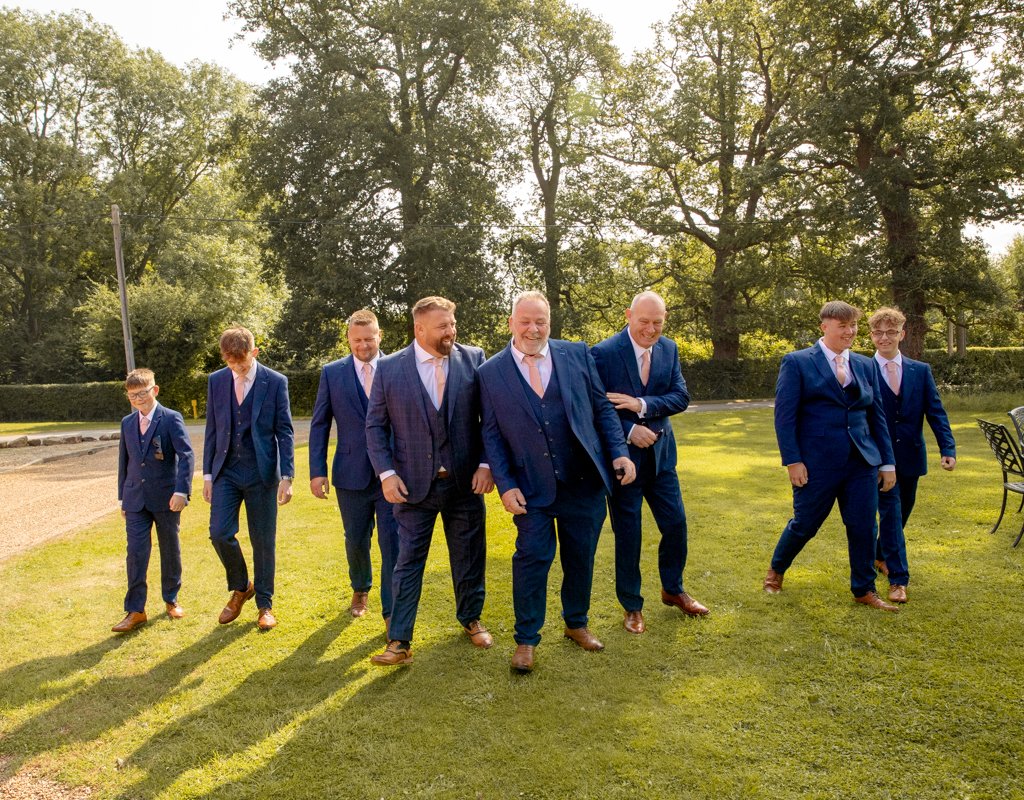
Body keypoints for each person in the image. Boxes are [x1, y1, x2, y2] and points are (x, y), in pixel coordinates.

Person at [478, 291, 637, 673]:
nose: (533, 329)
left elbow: (601, 408)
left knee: (580, 557)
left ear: (549, 322)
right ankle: (526, 640)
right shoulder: (490, 372)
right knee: (532, 559)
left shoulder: (577, 354)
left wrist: (619, 451)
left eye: (541, 322)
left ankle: (576, 624)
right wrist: (505, 484)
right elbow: (492, 435)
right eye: (525, 321)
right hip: (530, 488)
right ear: (511, 322)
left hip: (583, 481)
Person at [365, 296, 494, 666]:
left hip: (465, 483)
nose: (451, 331)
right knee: (407, 563)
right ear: (419, 329)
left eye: (452, 324)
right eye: (442, 326)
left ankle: (471, 619)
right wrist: (386, 474)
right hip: (411, 487)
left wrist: (486, 465)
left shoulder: (473, 358)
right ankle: (400, 641)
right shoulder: (389, 368)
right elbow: (374, 426)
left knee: (469, 557)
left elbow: (490, 419)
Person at [764, 300, 899, 611]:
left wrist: (887, 462)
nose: (850, 332)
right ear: (825, 327)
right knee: (806, 523)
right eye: (843, 326)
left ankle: (864, 590)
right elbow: (785, 417)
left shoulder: (865, 365)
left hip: (861, 461)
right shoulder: (797, 362)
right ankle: (776, 570)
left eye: (853, 326)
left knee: (865, 526)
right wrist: (793, 461)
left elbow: (877, 415)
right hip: (815, 463)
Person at [592, 291, 707, 635]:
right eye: (644, 321)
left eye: (657, 322)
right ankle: (632, 606)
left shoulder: (669, 349)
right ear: (629, 316)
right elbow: (596, 407)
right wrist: (629, 431)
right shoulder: (604, 353)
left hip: (662, 460)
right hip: (624, 462)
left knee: (676, 524)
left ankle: (673, 589)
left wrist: (640, 405)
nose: (651, 329)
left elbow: (680, 397)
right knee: (629, 534)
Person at [309, 309, 399, 627]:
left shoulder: (398, 367)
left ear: (379, 336)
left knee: (393, 541)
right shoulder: (332, 373)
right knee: (356, 538)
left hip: (393, 473)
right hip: (350, 473)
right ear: (348, 338)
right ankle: (360, 589)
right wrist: (316, 470)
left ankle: (392, 608)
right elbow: (320, 424)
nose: (363, 345)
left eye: (369, 338)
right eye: (357, 339)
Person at [203, 326, 294, 631]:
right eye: (231, 365)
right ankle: (241, 586)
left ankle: (265, 605)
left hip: (262, 473)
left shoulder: (275, 382)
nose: (237, 371)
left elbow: (285, 430)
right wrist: (206, 474)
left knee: (263, 541)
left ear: (254, 353)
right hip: (226, 471)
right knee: (219, 533)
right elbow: (212, 430)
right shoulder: (216, 381)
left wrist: (288, 475)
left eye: (241, 365)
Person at [868, 306, 956, 604]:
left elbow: (936, 412)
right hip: (878, 460)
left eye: (891, 332)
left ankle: (880, 555)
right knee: (891, 515)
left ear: (901, 334)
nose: (884, 338)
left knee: (903, 511)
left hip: (912, 456)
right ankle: (898, 579)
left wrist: (948, 449)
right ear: (871, 336)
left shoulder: (921, 371)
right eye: (878, 332)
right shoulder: (862, 370)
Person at [113, 368, 194, 633]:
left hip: (167, 497)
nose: (138, 399)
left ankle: (171, 599)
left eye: (143, 393)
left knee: (170, 549)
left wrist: (181, 492)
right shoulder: (127, 423)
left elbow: (187, 455)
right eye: (132, 396)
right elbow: (124, 462)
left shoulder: (171, 419)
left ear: (154, 390)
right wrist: (122, 498)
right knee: (135, 553)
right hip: (135, 499)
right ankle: (136, 610)